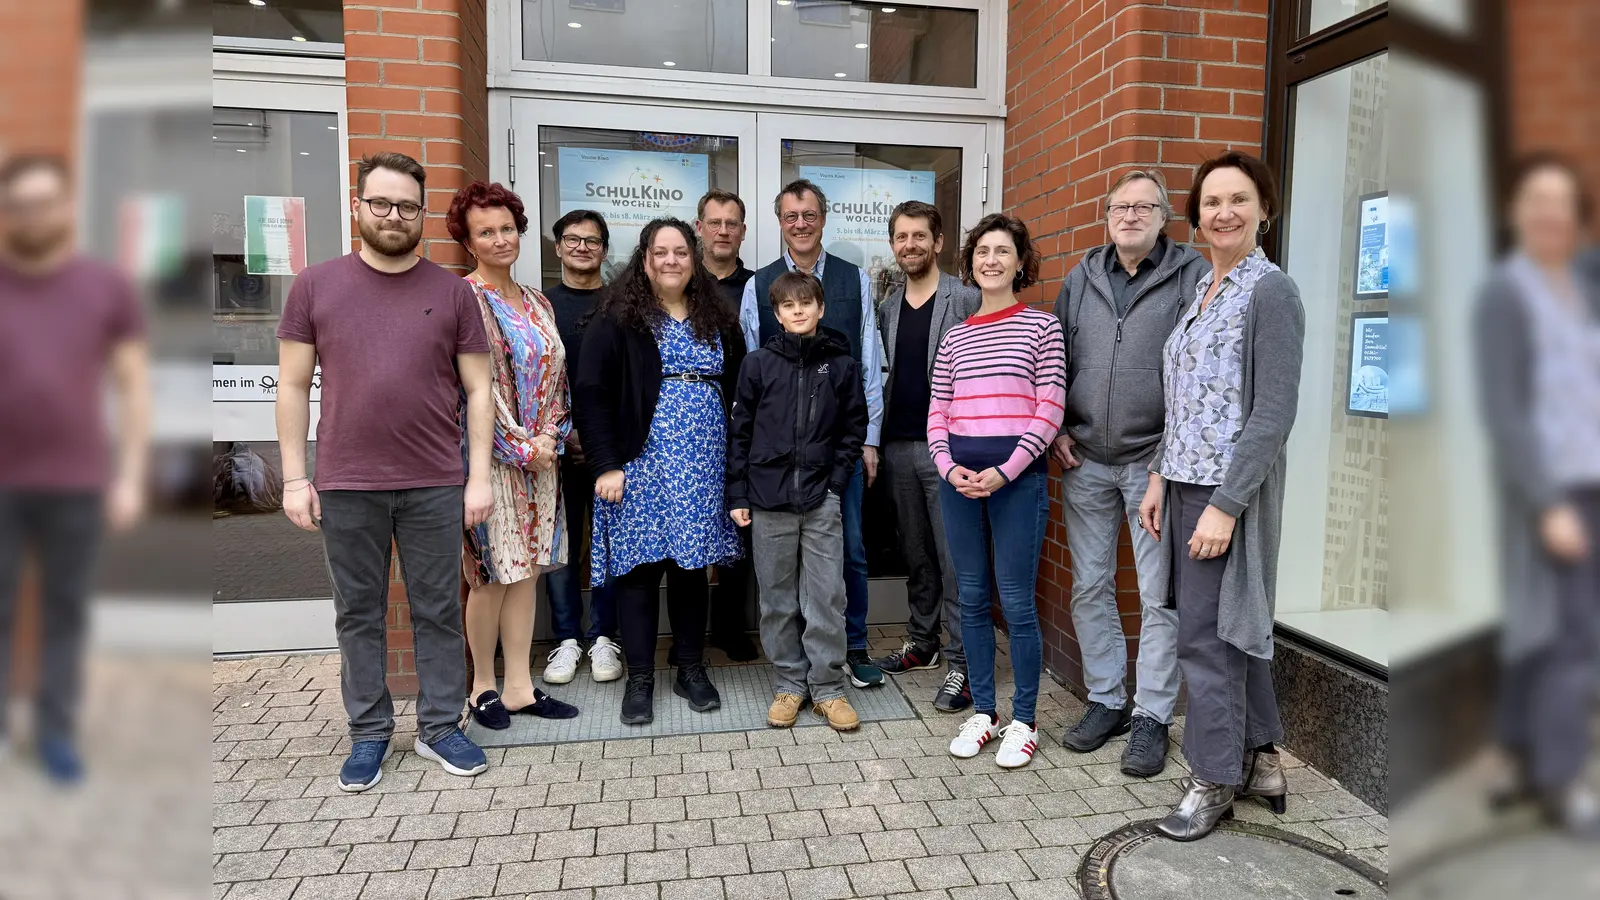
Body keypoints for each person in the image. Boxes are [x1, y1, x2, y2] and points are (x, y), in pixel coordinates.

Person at [277, 152, 495, 790]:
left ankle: (439, 728)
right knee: (359, 613)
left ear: (422, 213)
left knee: (437, 609)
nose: (394, 216)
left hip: (434, 480)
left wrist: (477, 477)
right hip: (347, 483)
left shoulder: (453, 291)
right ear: (357, 206)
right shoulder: (315, 286)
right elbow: (292, 386)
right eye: (382, 203)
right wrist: (296, 478)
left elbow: (479, 390)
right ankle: (369, 733)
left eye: (407, 206)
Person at [1137, 151, 1305, 841]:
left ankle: (1213, 782)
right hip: (1181, 484)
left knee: (1206, 641)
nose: (1224, 213)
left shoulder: (1271, 291)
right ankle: (1261, 759)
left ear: (1265, 208)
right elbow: (1181, 401)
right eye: (1211, 202)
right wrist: (1157, 473)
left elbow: (1272, 413)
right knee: (1230, 630)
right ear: (1196, 215)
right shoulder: (1203, 288)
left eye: (1239, 200)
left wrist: (1224, 506)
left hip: (1228, 492)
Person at [1050, 170, 1208, 777]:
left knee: (1155, 595)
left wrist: (1170, 459)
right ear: (1105, 213)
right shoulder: (1082, 277)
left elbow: (1198, 376)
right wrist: (1059, 427)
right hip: (1085, 459)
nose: (1131, 215)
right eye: (1121, 206)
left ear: (1165, 216)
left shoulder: (1190, 277)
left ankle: (1152, 717)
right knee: (1089, 585)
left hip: (1154, 465)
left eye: (1145, 206)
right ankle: (1108, 700)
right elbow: (1056, 357)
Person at [0, 154, 149, 783]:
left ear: (67, 207)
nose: (34, 215)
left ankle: (54, 732)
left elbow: (132, 384)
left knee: (64, 612)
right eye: (21, 205)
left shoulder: (104, 286)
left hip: (76, 482)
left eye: (45, 202)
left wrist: (131, 476)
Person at [574, 218, 746, 726]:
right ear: (644, 260)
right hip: (639, 463)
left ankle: (691, 669)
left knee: (692, 570)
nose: (671, 261)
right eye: (660, 252)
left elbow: (738, 389)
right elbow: (591, 394)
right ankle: (642, 677)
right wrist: (606, 463)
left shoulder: (716, 319)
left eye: (681, 252)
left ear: (694, 260)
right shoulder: (618, 319)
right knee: (641, 572)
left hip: (702, 462)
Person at [1475, 152, 1600, 836]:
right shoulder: (1506, 293)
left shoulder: (1586, 280)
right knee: (1566, 637)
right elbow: (1504, 408)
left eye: (1561, 202)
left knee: (1537, 632)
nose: (1550, 215)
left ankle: (1519, 760)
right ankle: (1559, 781)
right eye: (1536, 202)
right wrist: (1549, 503)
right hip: (1543, 494)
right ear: (1517, 214)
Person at [741, 179, 887, 689]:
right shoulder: (758, 286)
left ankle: (853, 646)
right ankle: (793, 667)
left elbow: (868, 363)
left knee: (848, 551)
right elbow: (752, 370)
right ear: (779, 222)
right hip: (778, 461)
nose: (799, 224)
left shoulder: (855, 280)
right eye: (789, 216)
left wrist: (868, 439)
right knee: (781, 572)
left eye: (808, 214)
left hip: (833, 452)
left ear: (823, 218)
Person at [445, 181, 579, 730]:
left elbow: (557, 381)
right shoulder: (464, 299)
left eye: (506, 228)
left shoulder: (540, 300)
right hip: (489, 462)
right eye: (486, 232)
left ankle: (521, 686)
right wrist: (523, 446)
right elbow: (476, 389)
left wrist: (550, 436)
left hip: (542, 461)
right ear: (469, 240)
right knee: (491, 575)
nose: (500, 239)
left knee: (527, 574)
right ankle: (483, 688)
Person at [934, 214, 1065, 769]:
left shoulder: (1042, 327)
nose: (990, 260)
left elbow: (1050, 407)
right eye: (982, 251)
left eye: (1002, 251)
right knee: (970, 596)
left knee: (1014, 601)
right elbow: (938, 411)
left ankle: (1025, 720)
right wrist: (947, 467)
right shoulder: (956, 335)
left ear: (1019, 261)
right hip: (959, 482)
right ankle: (984, 712)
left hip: (1017, 480)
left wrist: (1007, 470)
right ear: (971, 263)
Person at [727, 272, 868, 732]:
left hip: (821, 499)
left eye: (806, 303)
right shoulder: (758, 364)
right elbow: (740, 433)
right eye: (788, 305)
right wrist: (739, 492)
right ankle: (791, 683)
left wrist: (836, 481)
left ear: (820, 308)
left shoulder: (841, 364)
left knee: (827, 595)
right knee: (777, 599)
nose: (798, 311)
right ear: (777, 313)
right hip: (768, 501)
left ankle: (828, 688)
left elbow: (853, 428)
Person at [871, 200, 979, 713]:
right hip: (898, 445)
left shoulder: (966, 297)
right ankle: (924, 641)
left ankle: (963, 660)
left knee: (954, 558)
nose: (909, 245)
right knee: (915, 554)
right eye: (901, 237)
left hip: (950, 450)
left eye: (920, 236)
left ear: (938, 242)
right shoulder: (888, 306)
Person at [539, 209, 624, 686]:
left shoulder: (621, 306)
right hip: (555, 447)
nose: (582, 248)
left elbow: (628, 380)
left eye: (592, 241)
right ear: (558, 247)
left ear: (604, 249)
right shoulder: (542, 306)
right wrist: (562, 432)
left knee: (610, 544)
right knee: (562, 546)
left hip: (609, 450)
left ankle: (604, 637)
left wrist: (600, 439)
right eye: (573, 239)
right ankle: (567, 639)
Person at [695, 189, 759, 662]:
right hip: (687, 429)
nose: (722, 230)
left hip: (744, 427)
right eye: (714, 222)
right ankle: (691, 630)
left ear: (742, 230)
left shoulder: (757, 287)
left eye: (731, 223)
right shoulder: (676, 280)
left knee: (739, 528)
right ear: (699, 227)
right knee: (692, 528)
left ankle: (732, 628)